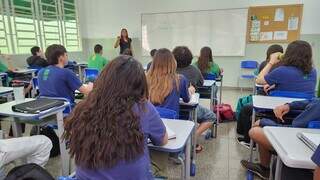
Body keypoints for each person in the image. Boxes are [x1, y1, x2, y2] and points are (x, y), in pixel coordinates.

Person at [63, 55, 168, 180]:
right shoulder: (143, 107)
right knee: (161, 157)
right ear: (139, 84)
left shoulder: (84, 107)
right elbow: (162, 140)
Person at [241, 98, 320, 179]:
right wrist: (289, 106)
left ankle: (265, 168)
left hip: (300, 145)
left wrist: (264, 122)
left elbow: (293, 130)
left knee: (255, 131)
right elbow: (311, 101)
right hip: (306, 139)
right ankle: (265, 167)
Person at [236, 44, 284, 145]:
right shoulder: (286, 67)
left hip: (266, 100)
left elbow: (258, 78)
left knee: (246, 108)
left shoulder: (265, 64)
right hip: (285, 106)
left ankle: (246, 139)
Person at [172, 46, 216, 152]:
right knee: (211, 116)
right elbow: (201, 83)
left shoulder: (170, 70)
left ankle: (188, 137)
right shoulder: (194, 70)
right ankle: (192, 138)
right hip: (189, 107)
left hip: (172, 108)